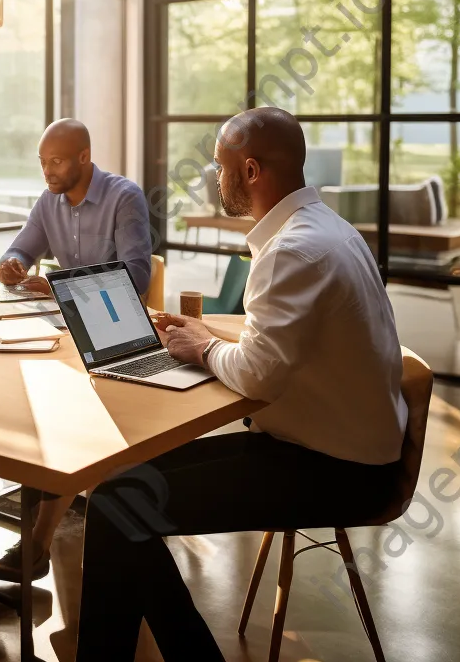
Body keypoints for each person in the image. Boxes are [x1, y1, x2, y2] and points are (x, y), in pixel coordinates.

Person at [76, 107, 406, 661]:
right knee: (115, 490)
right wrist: (205, 339)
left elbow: (257, 373)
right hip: (338, 446)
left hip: (336, 469)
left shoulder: (293, 250)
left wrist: (202, 347)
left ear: (250, 171)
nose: (213, 177)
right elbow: (274, 350)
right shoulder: (326, 228)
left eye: (219, 166)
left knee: (116, 506)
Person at [0, 118, 152, 581]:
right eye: (42, 162)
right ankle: (36, 537)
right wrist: (13, 264)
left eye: (56, 161)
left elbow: (136, 277)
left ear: (84, 156)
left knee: (58, 413)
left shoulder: (125, 197)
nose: (48, 171)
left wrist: (61, 284)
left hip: (116, 335)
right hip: (63, 334)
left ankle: (37, 542)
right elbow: (22, 247)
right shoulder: (49, 202)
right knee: (31, 403)